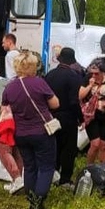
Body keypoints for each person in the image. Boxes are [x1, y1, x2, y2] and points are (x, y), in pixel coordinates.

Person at [2, 51, 59, 209]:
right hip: (42, 132)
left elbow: (5, 109)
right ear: (33, 66)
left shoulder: (10, 87)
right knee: (46, 167)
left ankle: (31, 197)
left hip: (20, 134)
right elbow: (55, 104)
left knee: (29, 166)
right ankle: (38, 203)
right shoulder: (39, 83)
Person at [44, 47, 85, 189]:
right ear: (72, 61)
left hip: (52, 116)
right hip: (68, 117)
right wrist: (81, 117)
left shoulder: (50, 75)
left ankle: (52, 175)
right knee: (69, 149)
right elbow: (74, 101)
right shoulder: (74, 77)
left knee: (54, 146)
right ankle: (65, 179)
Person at [79, 58, 105, 165]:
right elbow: (80, 96)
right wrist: (90, 86)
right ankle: (89, 167)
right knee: (95, 144)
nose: (94, 76)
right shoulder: (88, 78)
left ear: (102, 72)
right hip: (91, 115)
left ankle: (104, 169)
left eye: (96, 74)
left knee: (104, 145)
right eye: (92, 73)